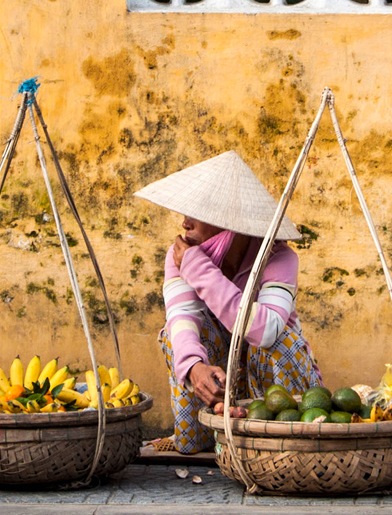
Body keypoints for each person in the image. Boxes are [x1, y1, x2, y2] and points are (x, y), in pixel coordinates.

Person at [135, 151, 323, 455]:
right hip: (222, 383)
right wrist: (194, 368)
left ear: (229, 221)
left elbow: (267, 332)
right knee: (173, 334)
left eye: (196, 214)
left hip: (275, 397)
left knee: (280, 337)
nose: (185, 224)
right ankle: (204, 432)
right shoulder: (179, 255)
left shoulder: (279, 256)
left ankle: (278, 437)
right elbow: (181, 316)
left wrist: (198, 268)